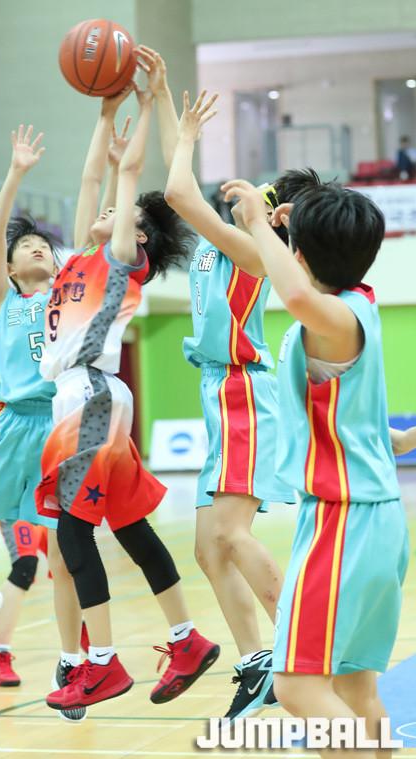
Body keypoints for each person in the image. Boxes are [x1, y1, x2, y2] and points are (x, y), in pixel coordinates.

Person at [37, 74, 219, 715]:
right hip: (89, 399)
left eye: (121, 214)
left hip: (87, 397)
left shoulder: (120, 259)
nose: (106, 212)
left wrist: (144, 108)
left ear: (138, 237)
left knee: (72, 536)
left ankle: (103, 664)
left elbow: (125, 175)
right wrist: (104, 116)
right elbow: (93, 179)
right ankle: (186, 639)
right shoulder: (74, 260)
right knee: (130, 526)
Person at [221, 175, 409, 759]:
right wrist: (289, 228)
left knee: (298, 685)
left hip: (341, 521)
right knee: (355, 687)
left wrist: (258, 222)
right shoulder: (360, 303)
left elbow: (298, 297)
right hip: (374, 518)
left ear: (301, 252)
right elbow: (301, 283)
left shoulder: (328, 316)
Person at [145, 58, 299, 718]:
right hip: (219, 394)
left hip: (243, 395)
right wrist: (161, 100)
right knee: (209, 548)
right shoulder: (222, 243)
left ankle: (301, 645)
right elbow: (178, 181)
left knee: (232, 534)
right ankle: (258, 662)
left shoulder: (251, 250)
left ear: (274, 215)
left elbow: (180, 194)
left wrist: (187, 138)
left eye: (263, 192)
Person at [0, 124, 85, 722]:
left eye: (44, 246)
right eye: (26, 246)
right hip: (11, 431)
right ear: (9, 268)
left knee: (61, 556)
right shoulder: (4, 302)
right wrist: (16, 172)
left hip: (55, 429)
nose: (37, 248)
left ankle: (70, 662)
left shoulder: (66, 301)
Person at [0, 376, 90, 691]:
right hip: (14, 487)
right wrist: (10, 439)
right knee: (25, 566)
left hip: (46, 478)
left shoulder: (50, 377)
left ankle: (81, 642)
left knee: (67, 565)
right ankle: (0, 655)